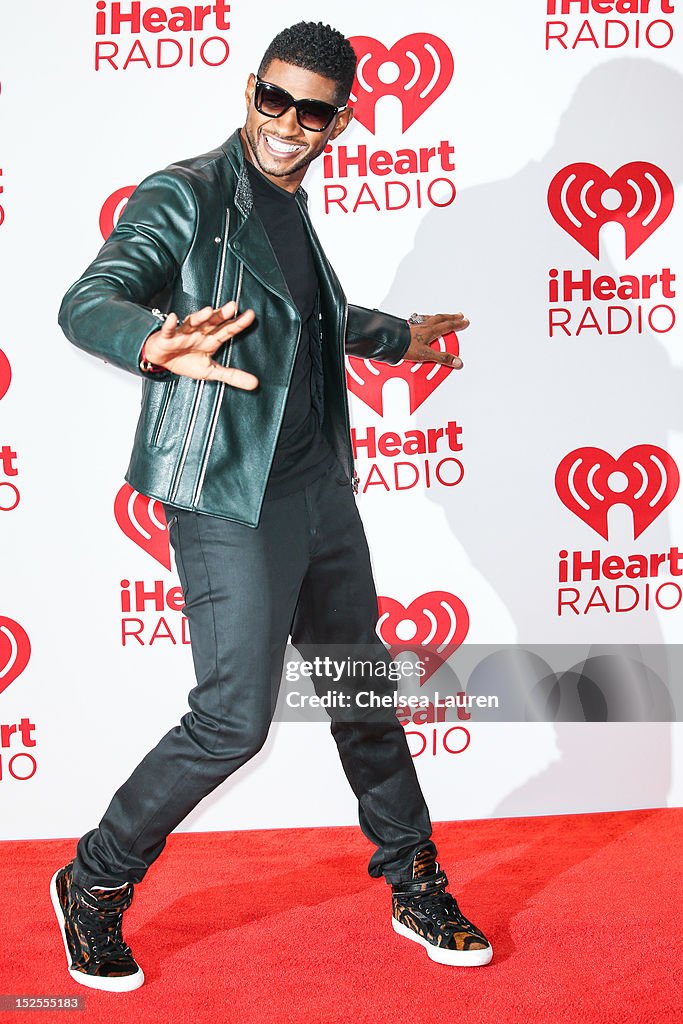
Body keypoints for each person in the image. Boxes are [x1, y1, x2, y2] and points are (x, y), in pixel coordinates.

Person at [51, 21, 492, 992]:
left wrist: (396, 333)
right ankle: (93, 878)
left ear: (339, 122)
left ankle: (412, 879)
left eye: (313, 111)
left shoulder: (290, 205)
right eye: (274, 100)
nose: (289, 124)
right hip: (224, 496)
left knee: (360, 696)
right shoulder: (188, 194)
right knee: (231, 720)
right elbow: (89, 299)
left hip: (315, 491)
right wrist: (153, 341)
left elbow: (305, 318)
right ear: (250, 90)